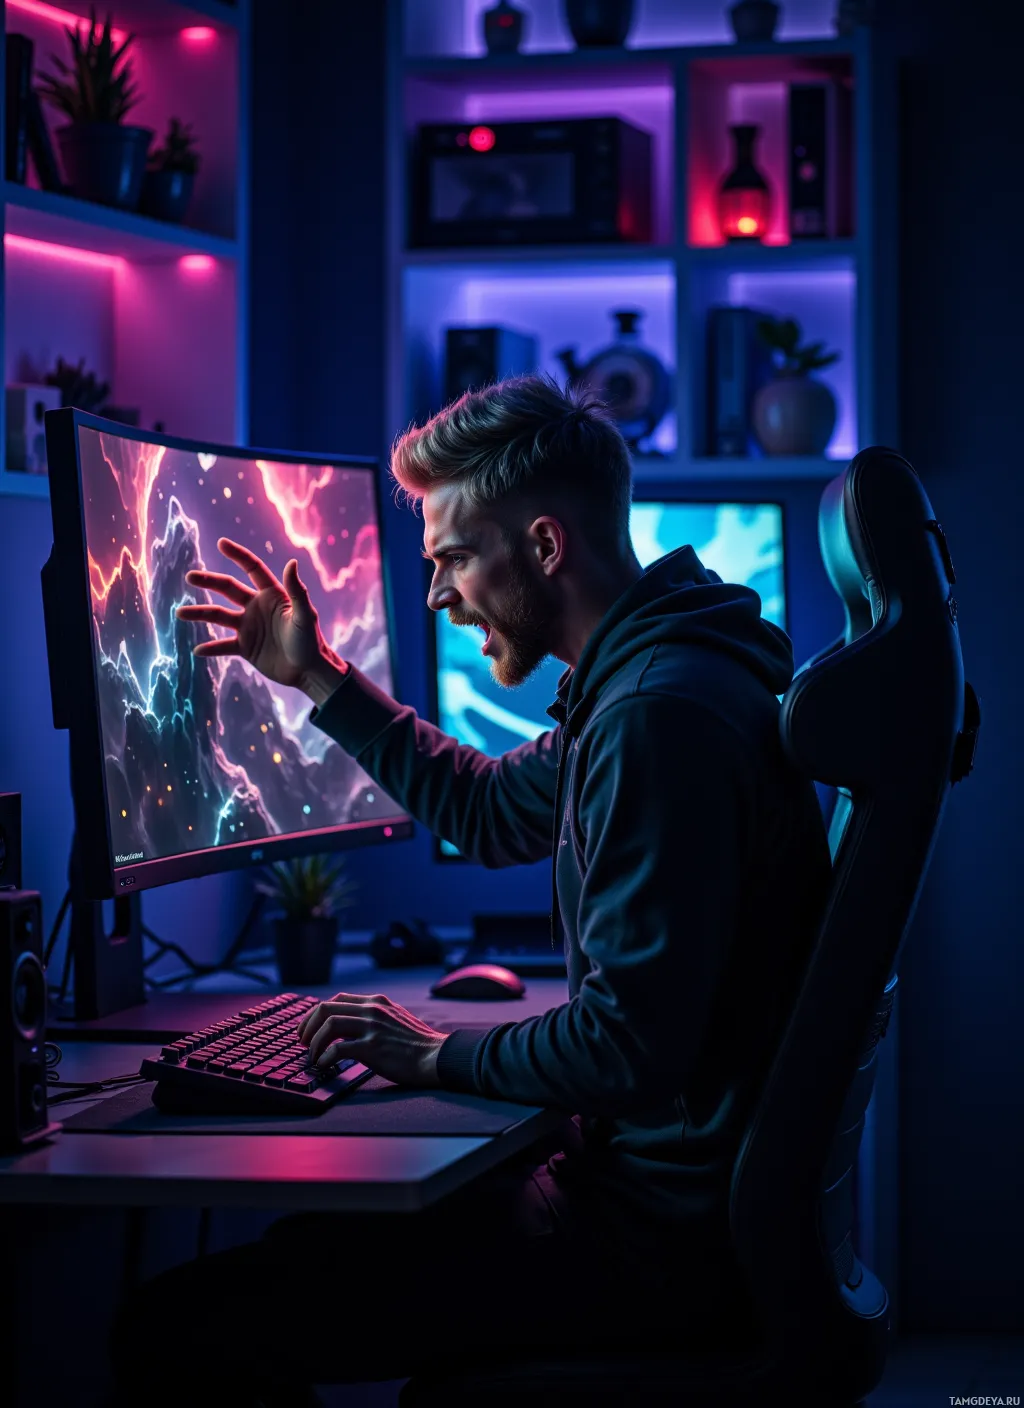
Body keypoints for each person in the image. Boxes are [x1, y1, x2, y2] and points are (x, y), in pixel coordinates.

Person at [108, 375, 832, 1406]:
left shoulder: (657, 716)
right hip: (663, 1205)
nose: (438, 593)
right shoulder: (653, 676)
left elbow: (625, 1048)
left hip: (655, 1244)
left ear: (542, 548)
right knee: (306, 1249)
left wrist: (432, 1049)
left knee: (179, 1326)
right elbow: (491, 812)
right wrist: (316, 674)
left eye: (451, 557)